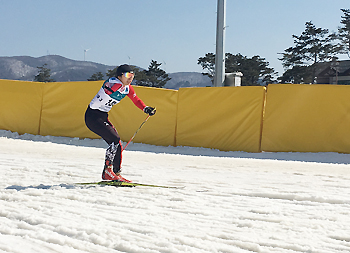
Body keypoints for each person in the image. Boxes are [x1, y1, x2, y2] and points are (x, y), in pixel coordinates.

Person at [85, 64, 156, 182]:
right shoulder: (114, 82)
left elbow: (136, 99)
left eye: (133, 75)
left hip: (102, 116)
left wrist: (145, 108)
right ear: (119, 76)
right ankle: (107, 171)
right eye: (128, 75)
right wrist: (109, 89)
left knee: (117, 143)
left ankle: (116, 173)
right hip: (92, 116)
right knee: (114, 139)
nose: (131, 78)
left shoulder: (127, 88)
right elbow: (108, 86)